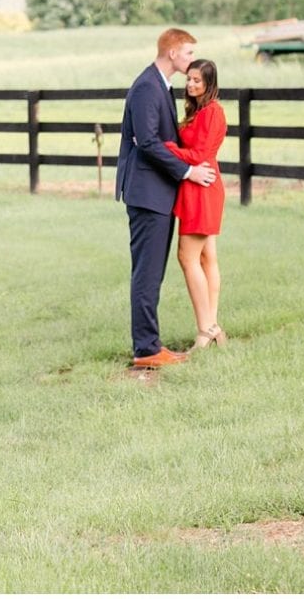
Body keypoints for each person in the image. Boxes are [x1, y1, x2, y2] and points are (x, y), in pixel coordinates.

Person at [116, 28, 217, 369]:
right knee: (147, 273)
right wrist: (188, 172)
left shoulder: (160, 84)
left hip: (158, 193)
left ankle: (150, 344)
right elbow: (147, 142)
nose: (191, 61)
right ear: (173, 52)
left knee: (153, 272)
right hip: (147, 194)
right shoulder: (147, 86)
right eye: (188, 53)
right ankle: (146, 350)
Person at [164, 59, 228, 349]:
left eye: (197, 81)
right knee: (206, 258)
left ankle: (206, 329)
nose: (190, 85)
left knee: (187, 258)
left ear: (209, 84)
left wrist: (167, 148)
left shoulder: (212, 112)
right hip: (195, 186)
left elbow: (201, 152)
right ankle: (213, 326)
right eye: (188, 79)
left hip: (203, 186)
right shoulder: (197, 111)